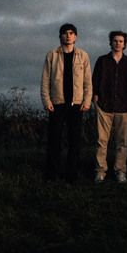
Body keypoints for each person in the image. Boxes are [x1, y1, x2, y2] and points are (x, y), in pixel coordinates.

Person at [40, 23, 92, 183]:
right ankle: (52, 174)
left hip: (76, 104)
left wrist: (87, 100)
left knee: (74, 141)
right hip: (57, 103)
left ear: (75, 37)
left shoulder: (83, 56)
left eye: (71, 33)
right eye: (65, 33)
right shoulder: (52, 55)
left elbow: (87, 81)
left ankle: (72, 175)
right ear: (60, 36)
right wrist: (46, 100)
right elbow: (45, 80)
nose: (68, 36)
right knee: (54, 140)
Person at [92, 31, 127, 184]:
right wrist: (95, 96)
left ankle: (120, 171)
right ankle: (100, 171)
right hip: (104, 105)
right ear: (110, 43)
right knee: (101, 141)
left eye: (121, 41)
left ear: (125, 44)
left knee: (122, 142)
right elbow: (95, 80)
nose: (118, 43)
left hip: (124, 107)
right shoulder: (102, 61)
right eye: (115, 41)